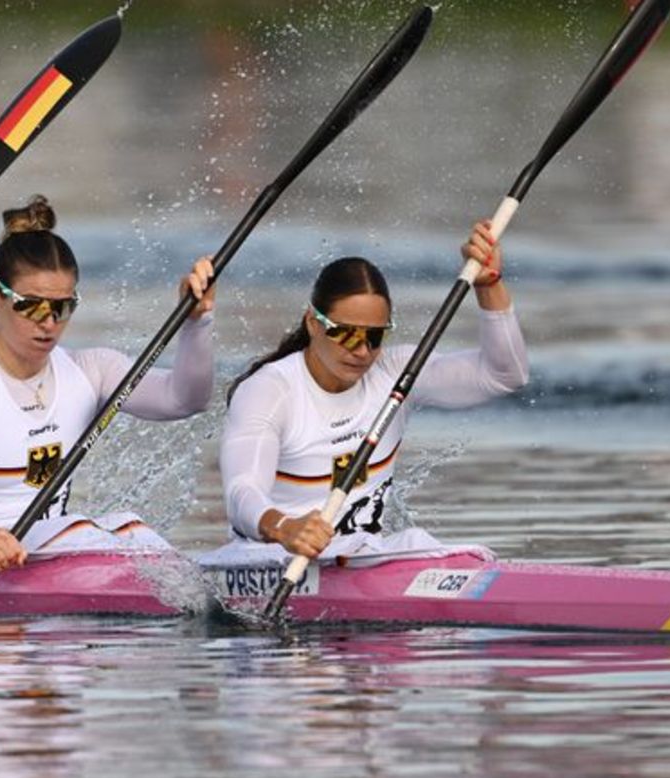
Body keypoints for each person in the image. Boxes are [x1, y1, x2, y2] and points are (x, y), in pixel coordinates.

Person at [0, 195, 216, 572]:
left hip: (49, 551)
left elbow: (186, 399)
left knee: (133, 529)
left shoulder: (92, 370)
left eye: (63, 307)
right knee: (83, 529)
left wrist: (197, 323)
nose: (49, 322)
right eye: (32, 305)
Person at [214, 221, 528, 561]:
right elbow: (241, 492)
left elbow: (504, 375)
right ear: (313, 323)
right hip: (272, 558)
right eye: (347, 334)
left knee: (415, 540)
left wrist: (489, 285)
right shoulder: (270, 391)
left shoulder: (396, 372)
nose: (363, 351)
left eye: (375, 336)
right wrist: (285, 528)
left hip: (366, 556)